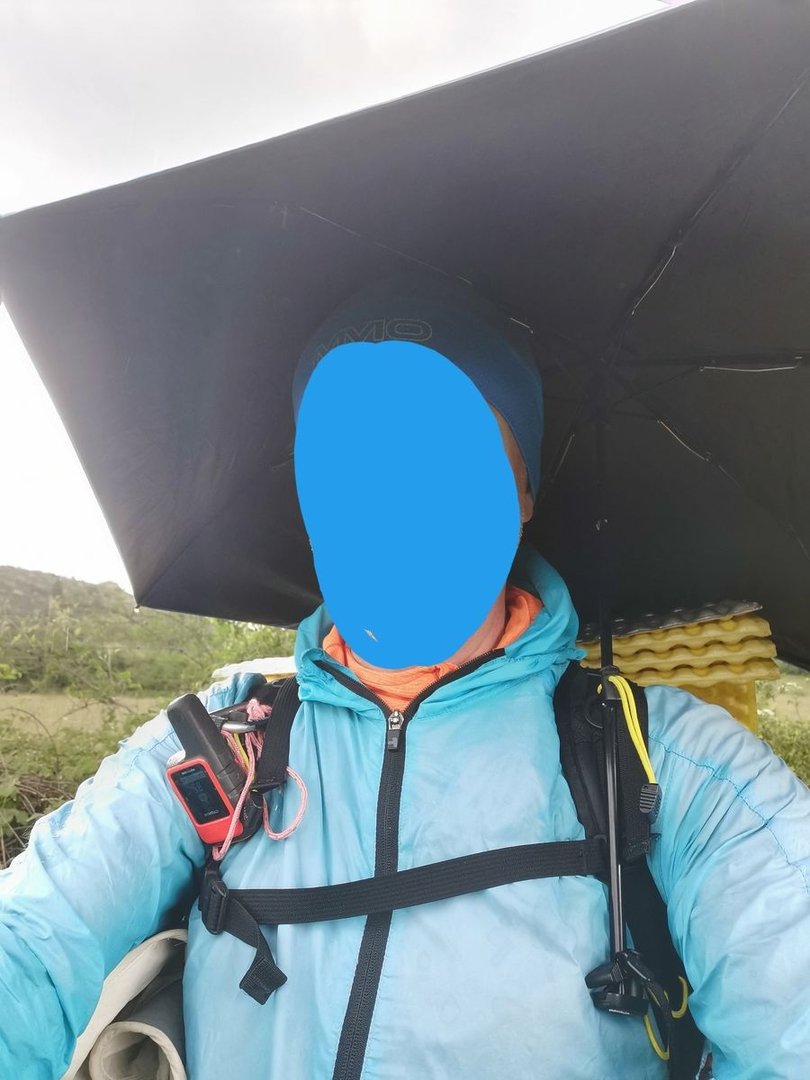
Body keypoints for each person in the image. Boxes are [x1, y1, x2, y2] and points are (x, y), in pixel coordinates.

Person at [1, 275, 809, 1080]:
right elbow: (34, 937)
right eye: (347, 453)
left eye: (443, 446)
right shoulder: (226, 738)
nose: (391, 487)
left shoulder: (672, 765)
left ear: (522, 487)